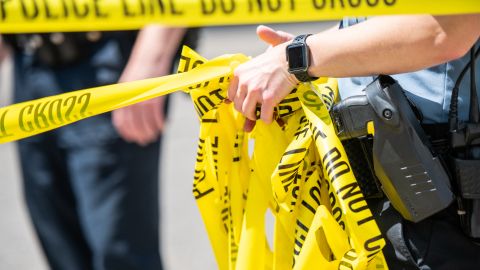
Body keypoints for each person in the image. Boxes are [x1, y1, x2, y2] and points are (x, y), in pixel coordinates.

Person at [227, 15, 480, 269]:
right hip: (380, 194)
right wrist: (310, 48)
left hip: (434, 197)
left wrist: (296, 58)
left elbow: (446, 30)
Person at [1, 26, 198, 270]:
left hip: (107, 57)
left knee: (120, 252)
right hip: (29, 58)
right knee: (61, 247)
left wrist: (152, 57)